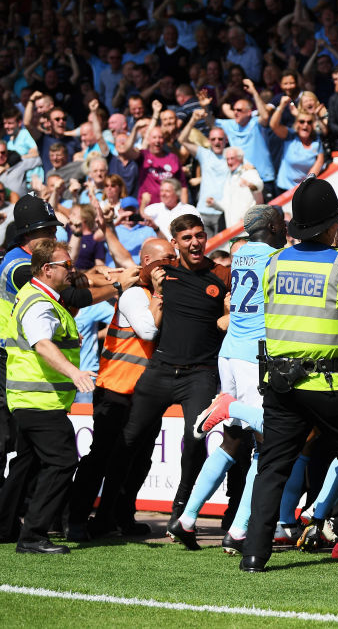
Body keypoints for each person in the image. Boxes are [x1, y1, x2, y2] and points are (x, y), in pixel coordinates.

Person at [241, 177, 338, 572]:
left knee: (272, 467)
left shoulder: (274, 264)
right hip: (328, 383)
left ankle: (255, 554)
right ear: (331, 227)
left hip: (279, 382)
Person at [167, 206, 287, 552]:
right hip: (255, 356)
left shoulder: (242, 252)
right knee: (269, 444)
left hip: (231, 350)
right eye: (283, 223)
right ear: (274, 226)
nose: (287, 228)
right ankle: (238, 531)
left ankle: (186, 519)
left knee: (233, 442)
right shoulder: (277, 258)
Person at [109, 214, 230, 533]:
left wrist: (229, 316)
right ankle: (110, 512)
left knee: (195, 439)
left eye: (200, 235)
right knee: (129, 440)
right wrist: (108, 240)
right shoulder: (162, 275)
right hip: (160, 371)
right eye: (187, 237)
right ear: (175, 243)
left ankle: (182, 513)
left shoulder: (221, 277)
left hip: (199, 375)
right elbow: (131, 264)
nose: (195, 242)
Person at [67, 237, 176, 540]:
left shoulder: (163, 293)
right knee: (101, 457)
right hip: (115, 389)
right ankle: (77, 519)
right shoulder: (135, 295)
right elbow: (149, 330)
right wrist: (157, 293)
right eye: (164, 258)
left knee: (138, 459)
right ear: (146, 262)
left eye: (172, 257)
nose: (170, 262)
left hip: (146, 394)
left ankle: (117, 517)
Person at [0, 240, 98, 554]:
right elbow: (42, 343)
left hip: (30, 399)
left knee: (26, 464)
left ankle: (4, 527)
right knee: (62, 460)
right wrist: (74, 373)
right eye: (66, 266)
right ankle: (32, 535)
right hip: (39, 401)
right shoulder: (40, 304)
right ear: (47, 269)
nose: (72, 271)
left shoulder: (37, 297)